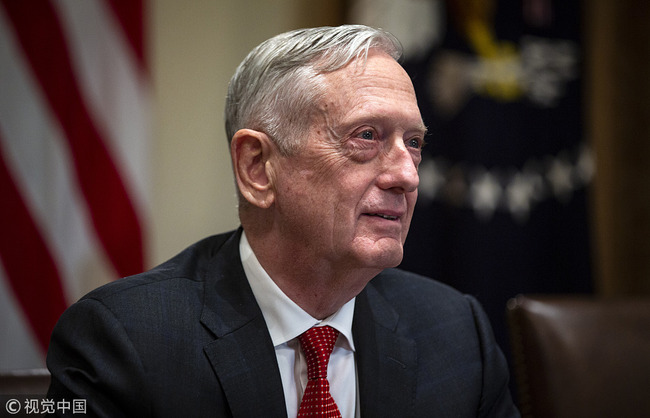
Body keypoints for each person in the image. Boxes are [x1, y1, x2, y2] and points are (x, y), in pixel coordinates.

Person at [46, 25, 519, 417]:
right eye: (367, 135)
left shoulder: (457, 335)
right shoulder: (125, 341)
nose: (406, 176)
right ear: (257, 168)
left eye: (413, 143)